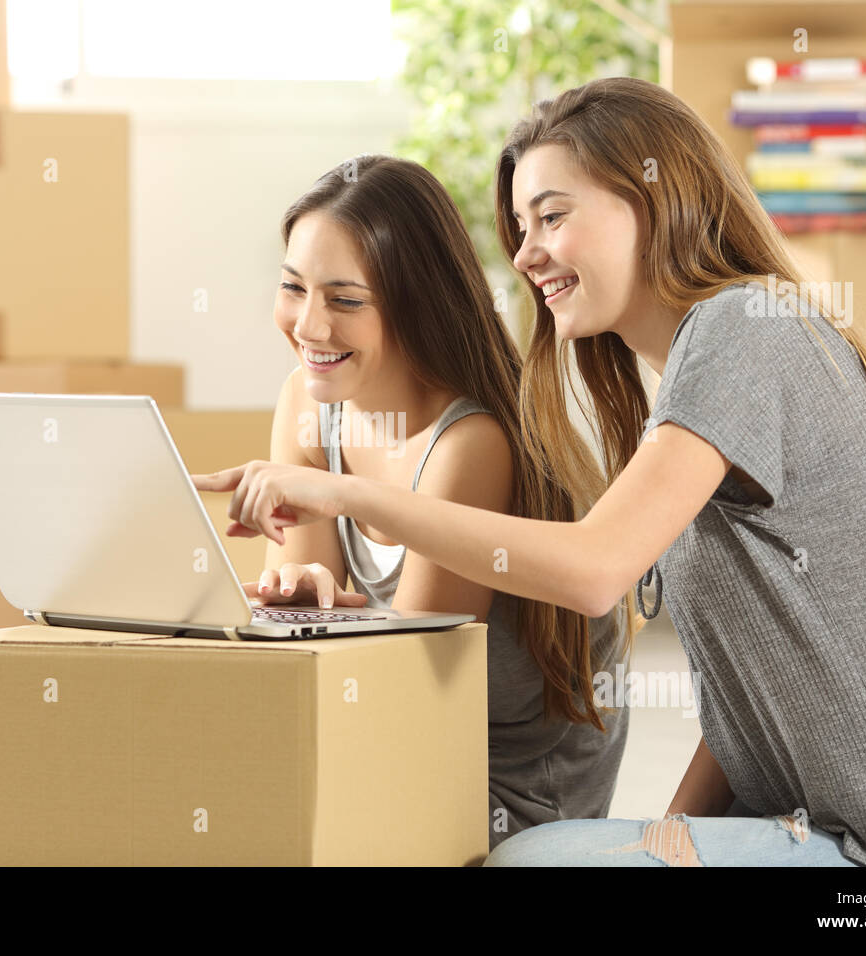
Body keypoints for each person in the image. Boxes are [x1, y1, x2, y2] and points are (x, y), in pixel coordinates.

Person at [194, 77, 866, 867]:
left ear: (656, 203)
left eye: (552, 216)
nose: (525, 252)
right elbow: (748, 701)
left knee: (531, 861)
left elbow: (593, 572)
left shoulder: (746, 332)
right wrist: (666, 836)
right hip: (824, 829)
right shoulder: (692, 375)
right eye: (518, 226)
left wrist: (339, 491)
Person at [244, 154, 633, 851]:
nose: (308, 325)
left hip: (501, 788)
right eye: (292, 288)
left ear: (415, 305)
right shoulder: (307, 402)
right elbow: (313, 626)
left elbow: (402, 695)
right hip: (392, 746)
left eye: (345, 299)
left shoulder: (470, 444)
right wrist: (307, 595)